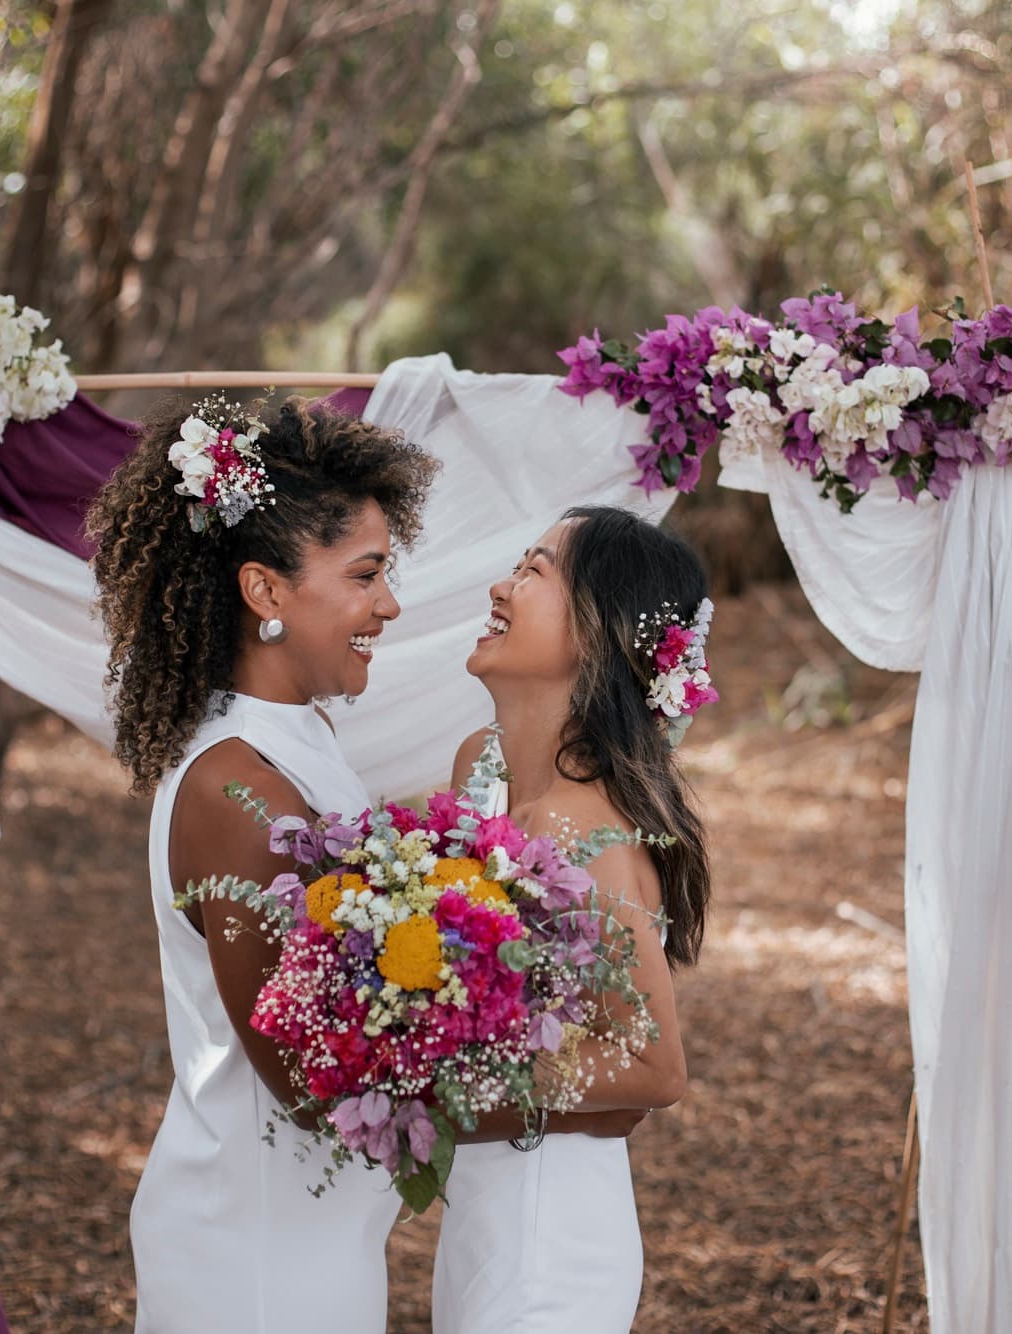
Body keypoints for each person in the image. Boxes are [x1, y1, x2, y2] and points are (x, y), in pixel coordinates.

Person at [86, 394, 437, 1334]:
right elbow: (300, 1065)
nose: (389, 603)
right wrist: (476, 1017)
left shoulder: (292, 743)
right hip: (255, 1245)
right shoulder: (235, 787)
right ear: (266, 591)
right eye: (366, 574)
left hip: (304, 1218)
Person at [434, 505, 716, 1334]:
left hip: (548, 1233)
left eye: (533, 571)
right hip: (480, 1208)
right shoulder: (475, 771)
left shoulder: (578, 828)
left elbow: (653, 1068)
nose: (500, 584)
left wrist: (442, 1085)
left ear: (598, 631)